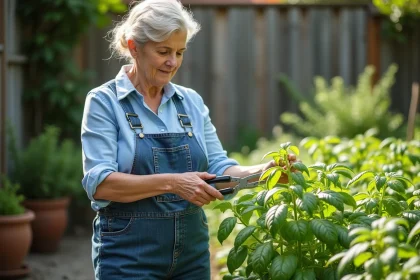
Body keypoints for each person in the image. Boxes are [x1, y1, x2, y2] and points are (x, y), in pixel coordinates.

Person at [81, 0, 296, 279]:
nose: (173, 62)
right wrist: (173, 182)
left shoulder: (190, 102)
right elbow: (100, 184)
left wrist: (263, 173)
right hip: (128, 255)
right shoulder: (104, 102)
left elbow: (220, 167)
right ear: (134, 47)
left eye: (180, 52)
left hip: (191, 255)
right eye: (163, 51)